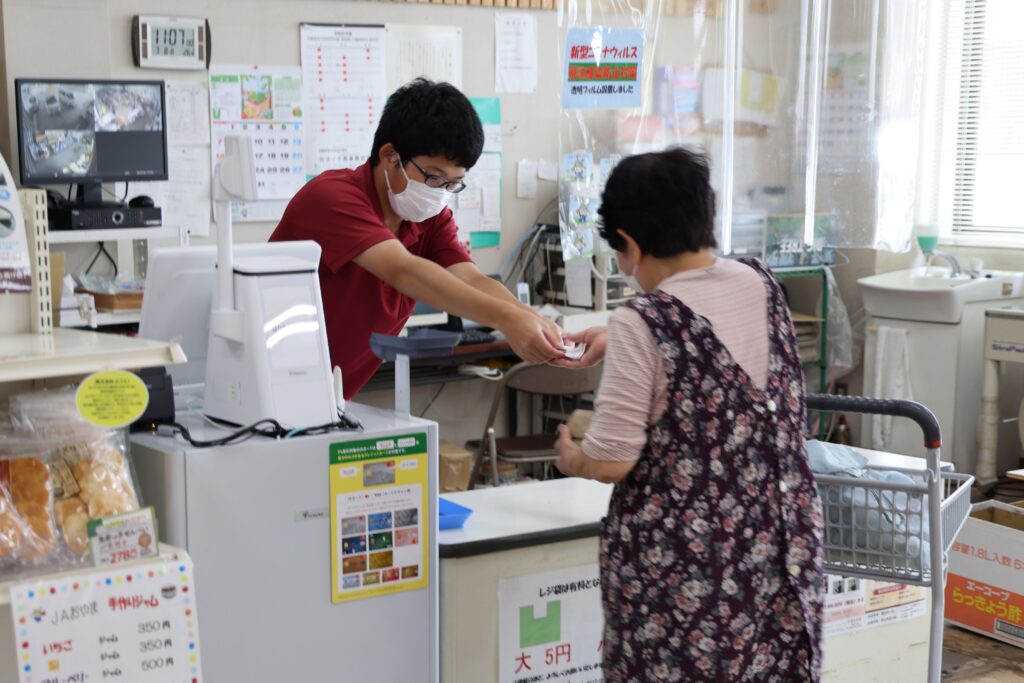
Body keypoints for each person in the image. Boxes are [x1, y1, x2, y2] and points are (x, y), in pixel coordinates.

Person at [553, 148, 825, 681]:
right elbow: (721, 370)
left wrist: (572, 457)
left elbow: (611, 460)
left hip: (689, 571)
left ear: (629, 244)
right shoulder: (763, 283)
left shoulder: (643, 320)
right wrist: (626, 347)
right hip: (782, 551)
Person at [271, 78, 563, 399]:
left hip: (328, 397)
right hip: (269, 384)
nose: (440, 193)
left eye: (453, 183)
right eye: (434, 177)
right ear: (389, 155)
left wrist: (535, 321)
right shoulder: (332, 197)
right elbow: (402, 270)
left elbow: (471, 279)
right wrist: (507, 319)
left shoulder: (430, 217)